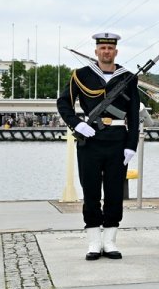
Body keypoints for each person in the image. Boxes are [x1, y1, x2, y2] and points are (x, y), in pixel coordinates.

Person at [56, 33, 140, 260]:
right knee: (91, 191)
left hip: (117, 141)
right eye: (102, 48)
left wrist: (131, 145)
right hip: (90, 141)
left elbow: (133, 114)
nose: (106, 52)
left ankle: (110, 241)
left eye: (110, 48)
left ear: (116, 52)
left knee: (114, 192)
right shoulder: (81, 75)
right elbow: (63, 103)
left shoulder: (129, 78)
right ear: (96, 51)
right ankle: (94, 242)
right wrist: (77, 124)